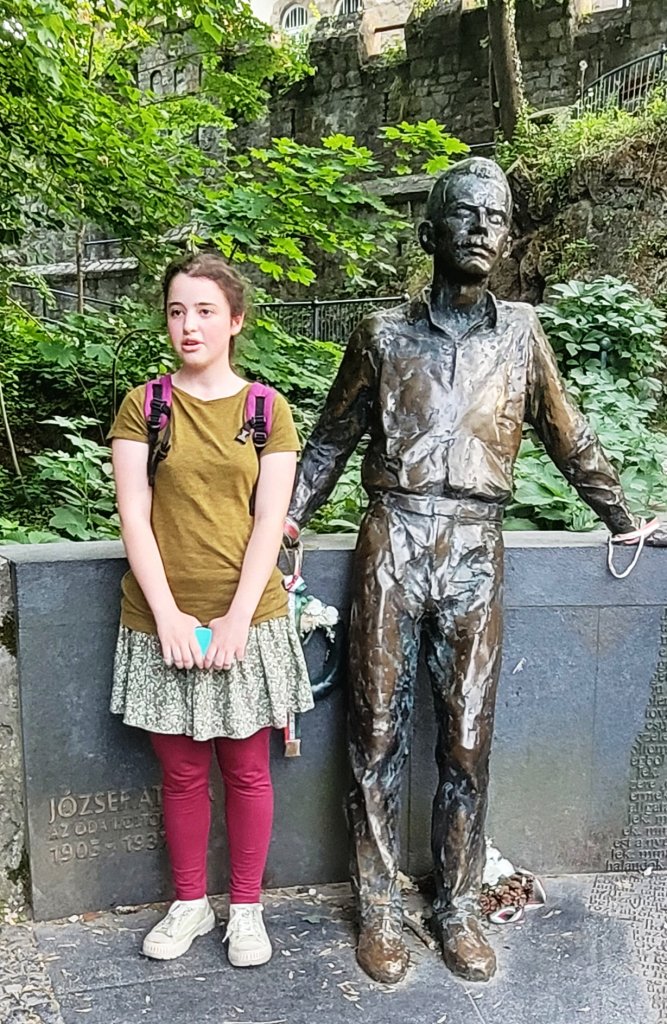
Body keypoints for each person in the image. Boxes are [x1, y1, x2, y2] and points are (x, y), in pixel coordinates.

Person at [283, 157, 667, 985]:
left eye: (495, 217)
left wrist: (624, 519)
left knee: (465, 741)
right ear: (429, 233)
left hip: (474, 546)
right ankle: (377, 906)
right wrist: (283, 525)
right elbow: (328, 441)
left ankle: (455, 907)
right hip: (392, 536)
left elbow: (568, 436)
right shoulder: (381, 334)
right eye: (464, 214)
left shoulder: (521, 333)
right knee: (375, 733)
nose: (480, 230)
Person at [109, 252, 314, 966]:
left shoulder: (266, 410)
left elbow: (269, 522)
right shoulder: (146, 405)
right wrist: (167, 614)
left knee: (248, 770)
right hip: (158, 617)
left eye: (204, 311)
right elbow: (134, 517)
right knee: (181, 774)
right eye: (176, 311)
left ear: (235, 321)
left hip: (249, 617)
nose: (188, 325)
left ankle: (246, 909)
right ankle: (190, 903)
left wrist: (235, 619)